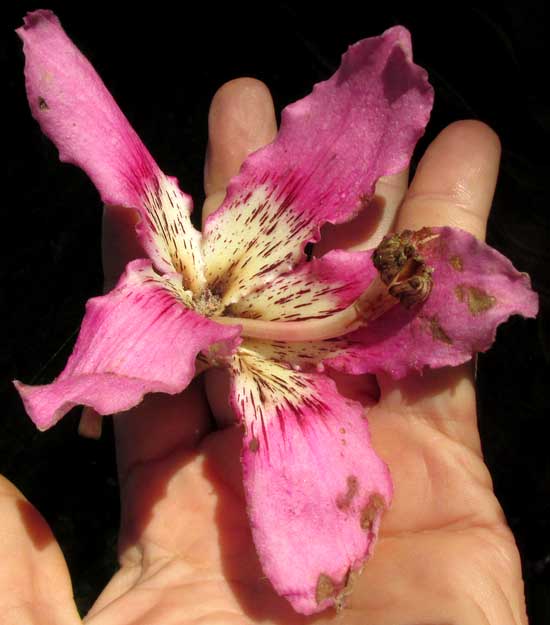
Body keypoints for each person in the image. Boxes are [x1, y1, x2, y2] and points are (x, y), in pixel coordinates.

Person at [0, 78, 528, 624]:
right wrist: (85, 387)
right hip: (198, 294)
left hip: (216, 305)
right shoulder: (182, 302)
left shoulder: (298, 370)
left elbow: (320, 529)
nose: (369, 302)